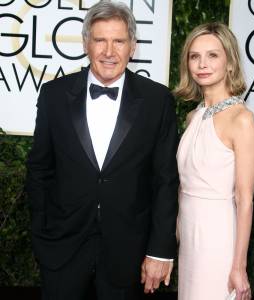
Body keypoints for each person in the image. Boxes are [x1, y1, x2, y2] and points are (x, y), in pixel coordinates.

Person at [26, 1, 179, 300]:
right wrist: (42, 231)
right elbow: (39, 168)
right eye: (100, 40)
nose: (110, 51)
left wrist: (160, 251)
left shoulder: (157, 100)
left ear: (132, 46)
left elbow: (165, 180)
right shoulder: (54, 94)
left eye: (119, 41)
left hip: (128, 252)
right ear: (86, 44)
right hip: (62, 248)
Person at [175, 22, 254, 300]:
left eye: (213, 55)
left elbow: (245, 199)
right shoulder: (193, 117)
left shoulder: (241, 119)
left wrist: (239, 266)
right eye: (194, 56)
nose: (202, 64)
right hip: (188, 236)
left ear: (230, 63)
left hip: (218, 237)